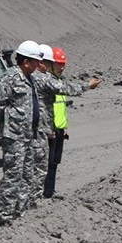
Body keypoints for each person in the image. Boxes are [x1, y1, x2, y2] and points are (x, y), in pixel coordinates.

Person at [31, 45, 101, 203]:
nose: (61, 67)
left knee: (54, 162)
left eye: (63, 64)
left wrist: (64, 126)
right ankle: (41, 194)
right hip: (49, 129)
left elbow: (61, 107)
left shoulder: (57, 81)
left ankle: (49, 191)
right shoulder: (47, 82)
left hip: (59, 128)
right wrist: (87, 86)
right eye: (58, 64)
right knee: (44, 164)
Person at [0, 40, 42, 226]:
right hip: (15, 138)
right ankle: (5, 215)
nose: (37, 65)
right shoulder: (12, 77)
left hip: (28, 137)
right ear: (26, 62)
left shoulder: (30, 79)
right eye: (35, 61)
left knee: (27, 176)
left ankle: (21, 212)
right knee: (13, 176)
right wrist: (4, 123)